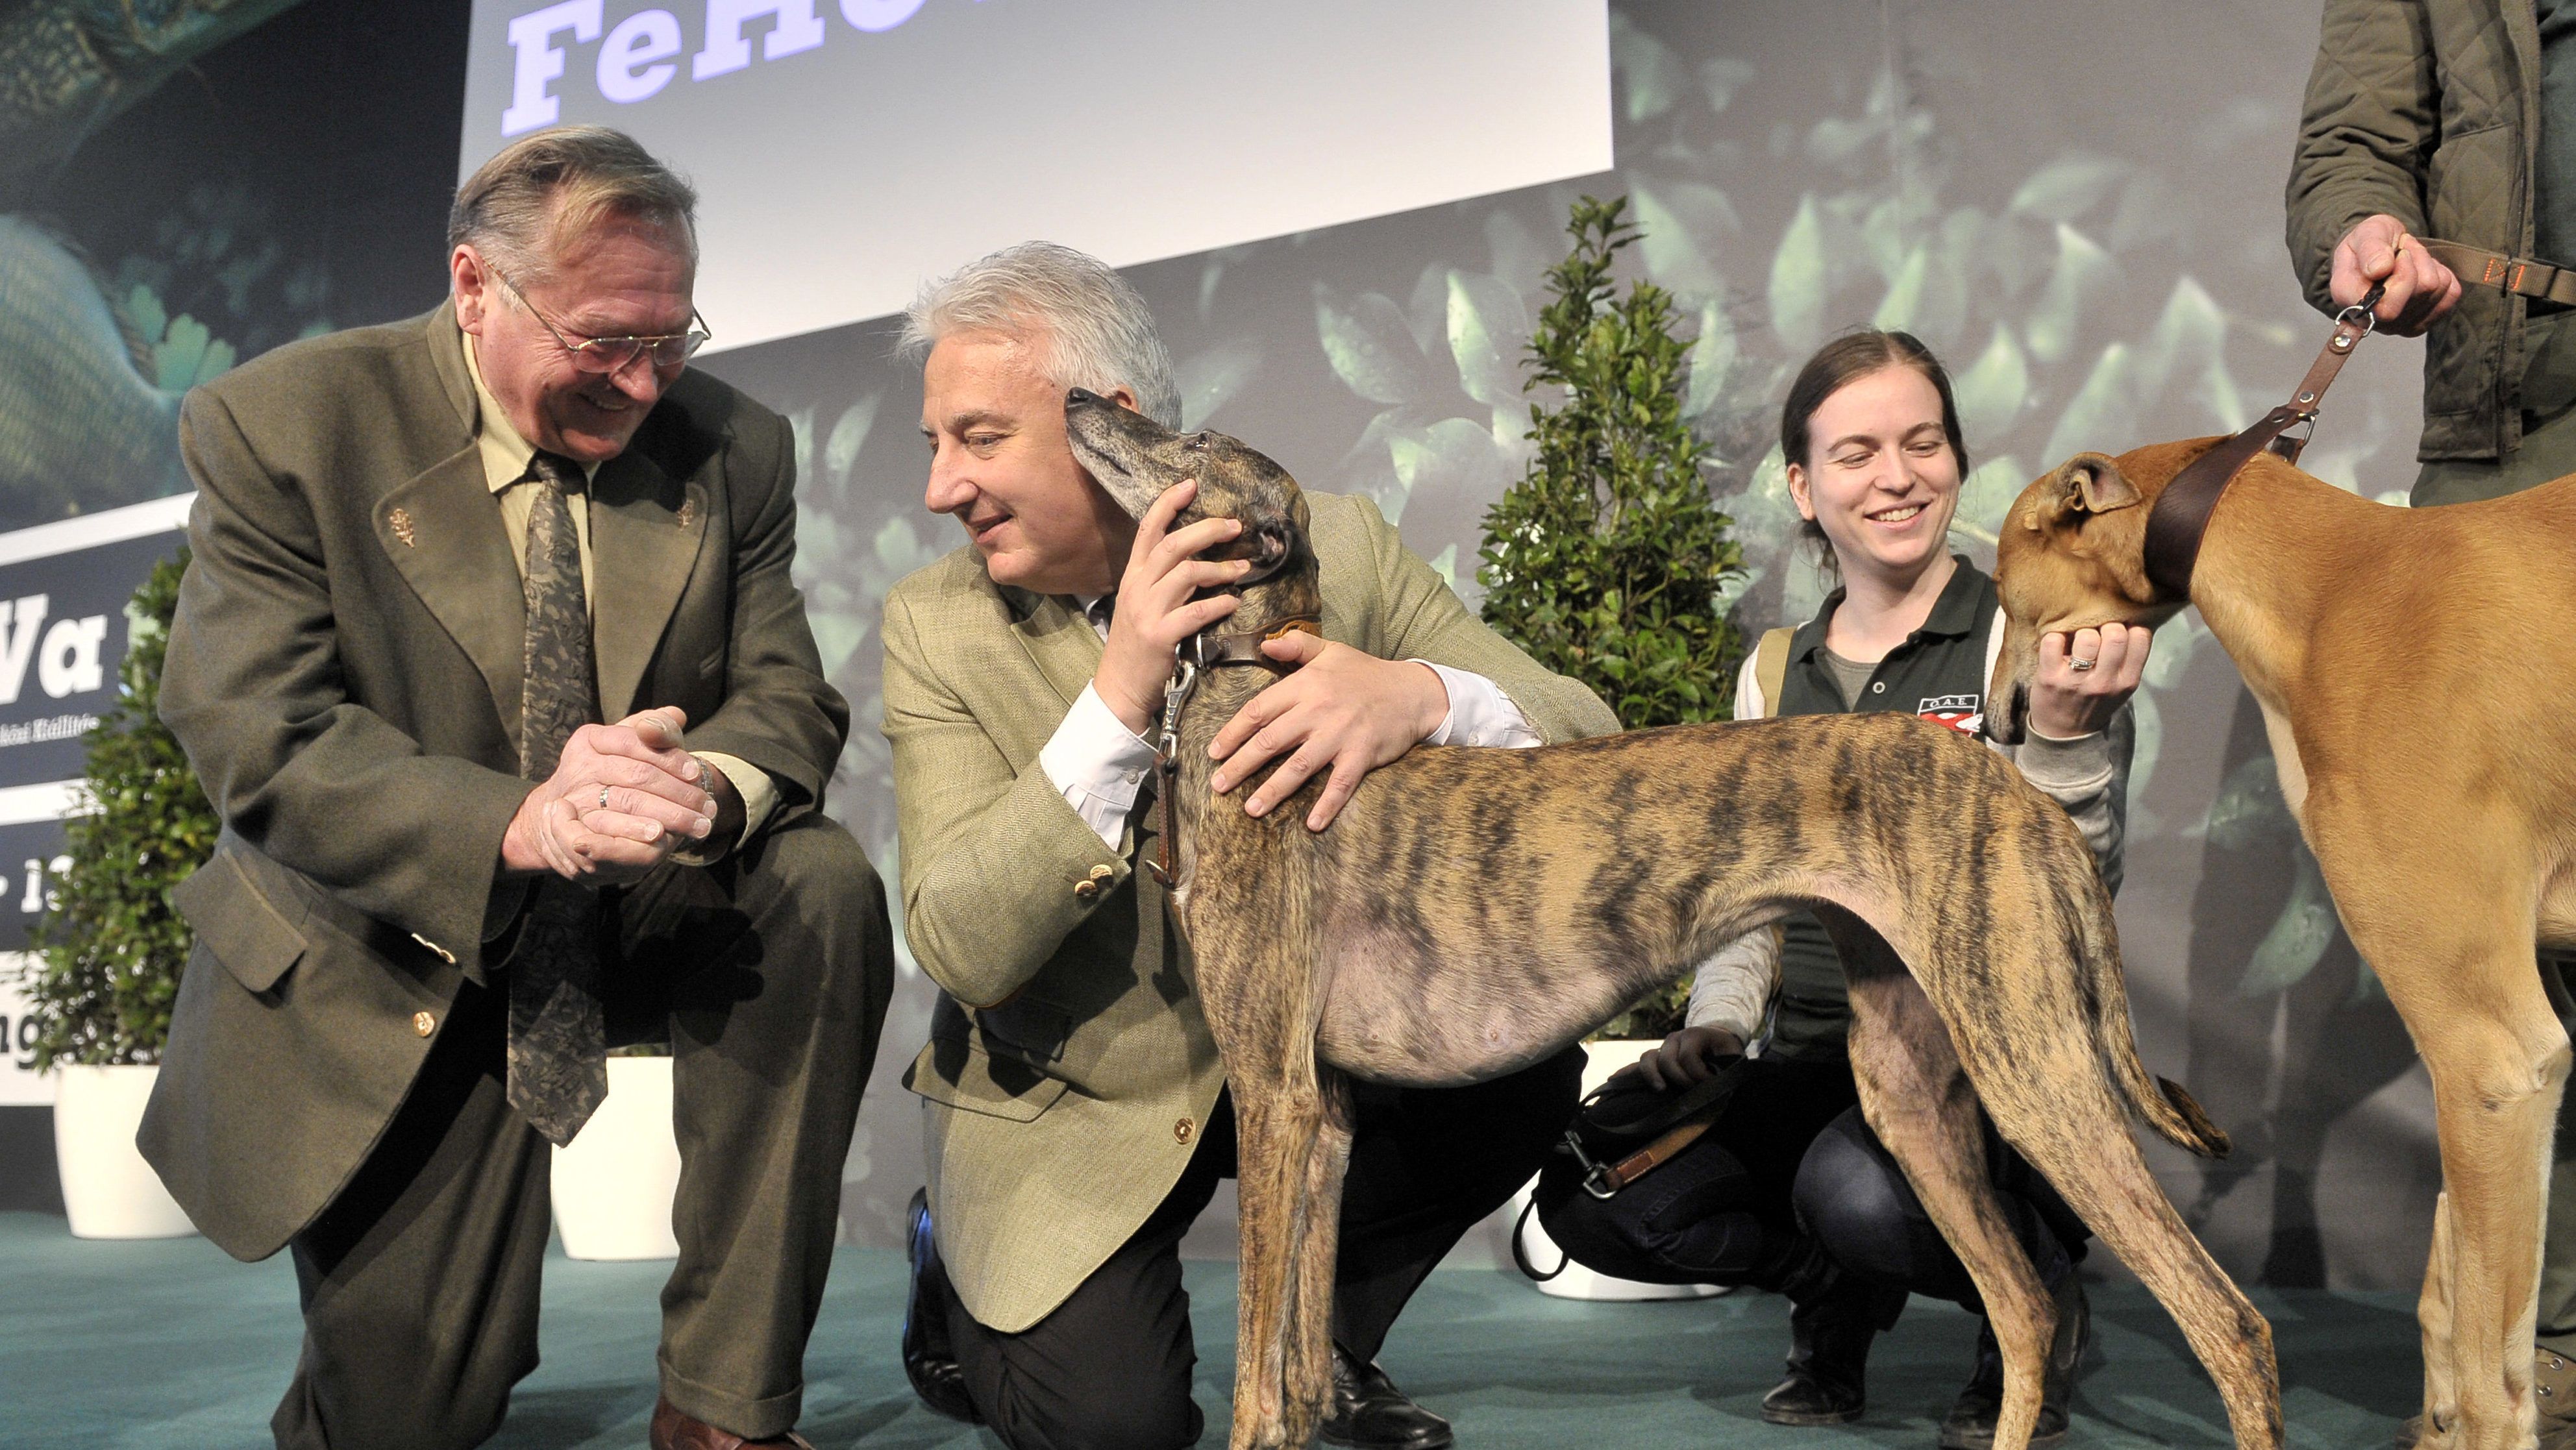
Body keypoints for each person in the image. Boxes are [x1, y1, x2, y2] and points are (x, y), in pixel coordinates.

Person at [140, 126, 893, 1450]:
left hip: (643, 896)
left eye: (672, 336)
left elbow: (786, 697)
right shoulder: (288, 423)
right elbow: (255, 728)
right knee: (408, 1415)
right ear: (475, 288)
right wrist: (523, 818)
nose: (647, 381)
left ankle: (725, 1404)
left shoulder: (739, 449)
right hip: (411, 932)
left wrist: (702, 794)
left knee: (816, 881)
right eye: (606, 338)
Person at [880, 241, 1620, 1450]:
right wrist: (1117, 700)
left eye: (977, 437)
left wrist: (1423, 694)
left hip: (1317, 1053)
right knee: (1120, 1429)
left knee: (1517, 1059)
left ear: (1105, 423)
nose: (940, 487)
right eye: (932, 444)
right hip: (1081, 1091)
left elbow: (1591, 735)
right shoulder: (939, 624)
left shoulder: (1334, 543)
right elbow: (962, 941)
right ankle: (951, 1262)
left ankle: (1319, 1342)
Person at [1535, 331, 2148, 1450]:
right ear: (1804, 488)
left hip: (1977, 1065)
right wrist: (1717, 1023)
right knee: (1596, 1188)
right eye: (1856, 452)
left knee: (1859, 1191)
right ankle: (1838, 1290)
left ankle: (2033, 1307)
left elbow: (2074, 893)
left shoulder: (2026, 631)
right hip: (1810, 1057)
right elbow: (1747, 895)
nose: (1896, 475)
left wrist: (2061, 740)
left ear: (1958, 461)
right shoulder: (1775, 668)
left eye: (1923, 443)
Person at [2289, 8, 2576, 1444]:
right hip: (2509, 423)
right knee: (2509, 978)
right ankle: (2548, 1351)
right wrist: (2360, 229)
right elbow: (2350, 147)